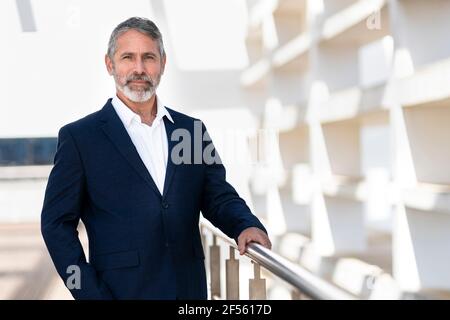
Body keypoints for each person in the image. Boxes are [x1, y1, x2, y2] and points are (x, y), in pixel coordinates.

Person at [41, 17, 271, 300]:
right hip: (119, 294)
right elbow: (55, 224)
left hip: (189, 292)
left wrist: (244, 224)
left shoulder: (190, 130)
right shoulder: (80, 138)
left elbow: (217, 195)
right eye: (128, 57)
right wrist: (87, 292)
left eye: (148, 57)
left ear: (162, 63)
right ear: (109, 64)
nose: (139, 69)